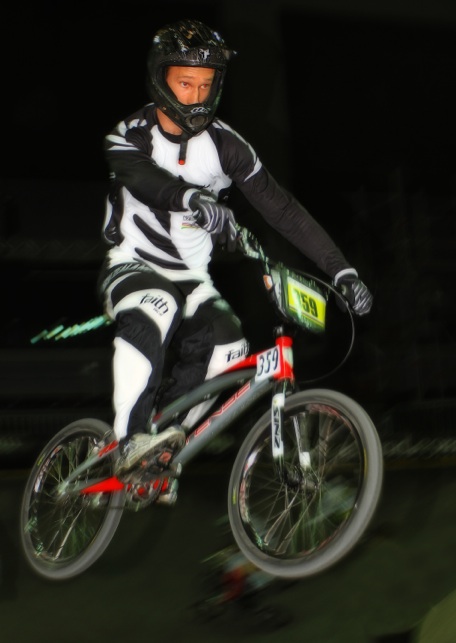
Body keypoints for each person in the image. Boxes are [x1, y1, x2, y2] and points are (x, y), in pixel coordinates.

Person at [98, 18, 373, 477]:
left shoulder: (227, 146)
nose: (196, 96)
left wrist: (341, 270)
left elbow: (283, 210)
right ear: (159, 78)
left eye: (206, 85)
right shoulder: (130, 133)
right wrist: (193, 198)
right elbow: (141, 179)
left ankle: (161, 450)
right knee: (158, 304)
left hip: (194, 281)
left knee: (230, 346)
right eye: (185, 83)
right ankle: (129, 439)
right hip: (132, 266)